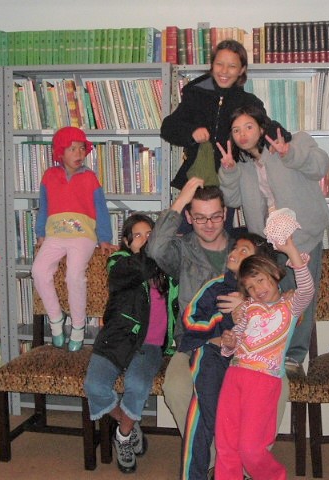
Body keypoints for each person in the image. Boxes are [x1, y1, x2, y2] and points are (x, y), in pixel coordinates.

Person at [217, 104, 329, 369]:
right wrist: (229, 171)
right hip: (267, 244)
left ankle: (294, 356)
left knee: (300, 296)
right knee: (267, 297)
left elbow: (320, 166)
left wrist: (289, 153)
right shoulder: (244, 165)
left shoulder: (295, 142)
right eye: (236, 130)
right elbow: (232, 200)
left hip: (302, 237)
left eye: (248, 127)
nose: (242, 134)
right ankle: (269, 351)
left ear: (261, 127)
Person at [160, 39, 290, 231]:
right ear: (212, 65)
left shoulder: (247, 101)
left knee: (219, 237)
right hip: (195, 182)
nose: (224, 71)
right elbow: (168, 127)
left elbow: (265, 126)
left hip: (228, 183)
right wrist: (192, 132)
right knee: (183, 236)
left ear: (242, 70)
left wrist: (280, 140)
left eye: (232, 66)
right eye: (219, 64)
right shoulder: (194, 94)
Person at [83, 213, 178, 474]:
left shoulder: (169, 268)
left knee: (137, 384)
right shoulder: (119, 263)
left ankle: (123, 436)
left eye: (151, 235)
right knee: (94, 386)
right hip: (117, 339)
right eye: (138, 235)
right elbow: (141, 268)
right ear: (126, 242)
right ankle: (130, 423)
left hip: (151, 344)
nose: (146, 240)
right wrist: (153, 247)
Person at [215, 234, 314, 480]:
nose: (257, 290)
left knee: (250, 448)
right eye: (250, 287)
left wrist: (291, 250)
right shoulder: (248, 308)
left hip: (264, 381)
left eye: (260, 280)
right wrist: (229, 343)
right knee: (226, 446)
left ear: (274, 274)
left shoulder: (290, 305)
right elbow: (234, 342)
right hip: (234, 376)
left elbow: (307, 289)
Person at [180, 232, 275, 480]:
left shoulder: (261, 293)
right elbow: (190, 319)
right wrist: (219, 322)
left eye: (244, 251)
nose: (234, 253)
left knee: (231, 419)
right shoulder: (216, 286)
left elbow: (277, 322)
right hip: (211, 354)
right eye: (235, 248)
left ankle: (230, 471)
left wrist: (246, 305)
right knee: (207, 413)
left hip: (246, 363)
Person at [146, 178, 232, 444]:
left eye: (215, 216)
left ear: (225, 213)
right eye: (200, 218)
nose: (209, 224)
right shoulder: (182, 251)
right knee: (175, 387)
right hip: (193, 342)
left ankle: (239, 456)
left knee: (276, 386)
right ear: (189, 217)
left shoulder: (242, 249)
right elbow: (154, 249)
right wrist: (181, 200)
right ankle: (210, 456)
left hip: (239, 342)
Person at [32, 126, 115, 352]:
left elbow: (101, 209)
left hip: (82, 236)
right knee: (38, 271)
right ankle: (56, 320)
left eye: (82, 148)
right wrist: (41, 233)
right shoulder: (49, 176)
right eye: (72, 149)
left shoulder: (90, 178)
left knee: (74, 275)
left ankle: (78, 326)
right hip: (55, 235)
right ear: (60, 152)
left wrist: (104, 238)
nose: (79, 153)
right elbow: (44, 206)